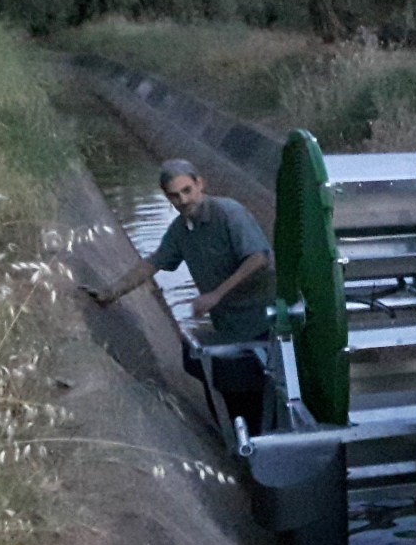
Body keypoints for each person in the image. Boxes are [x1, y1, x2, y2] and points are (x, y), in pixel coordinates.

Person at [83, 159, 274, 425]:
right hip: (230, 325)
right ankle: (232, 434)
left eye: (187, 190)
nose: (183, 200)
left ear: (200, 184)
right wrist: (111, 292)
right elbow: (153, 263)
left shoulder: (229, 213)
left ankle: (250, 437)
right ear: (167, 197)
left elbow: (258, 258)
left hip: (265, 320)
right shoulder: (180, 231)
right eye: (175, 195)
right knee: (198, 362)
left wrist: (216, 294)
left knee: (246, 384)